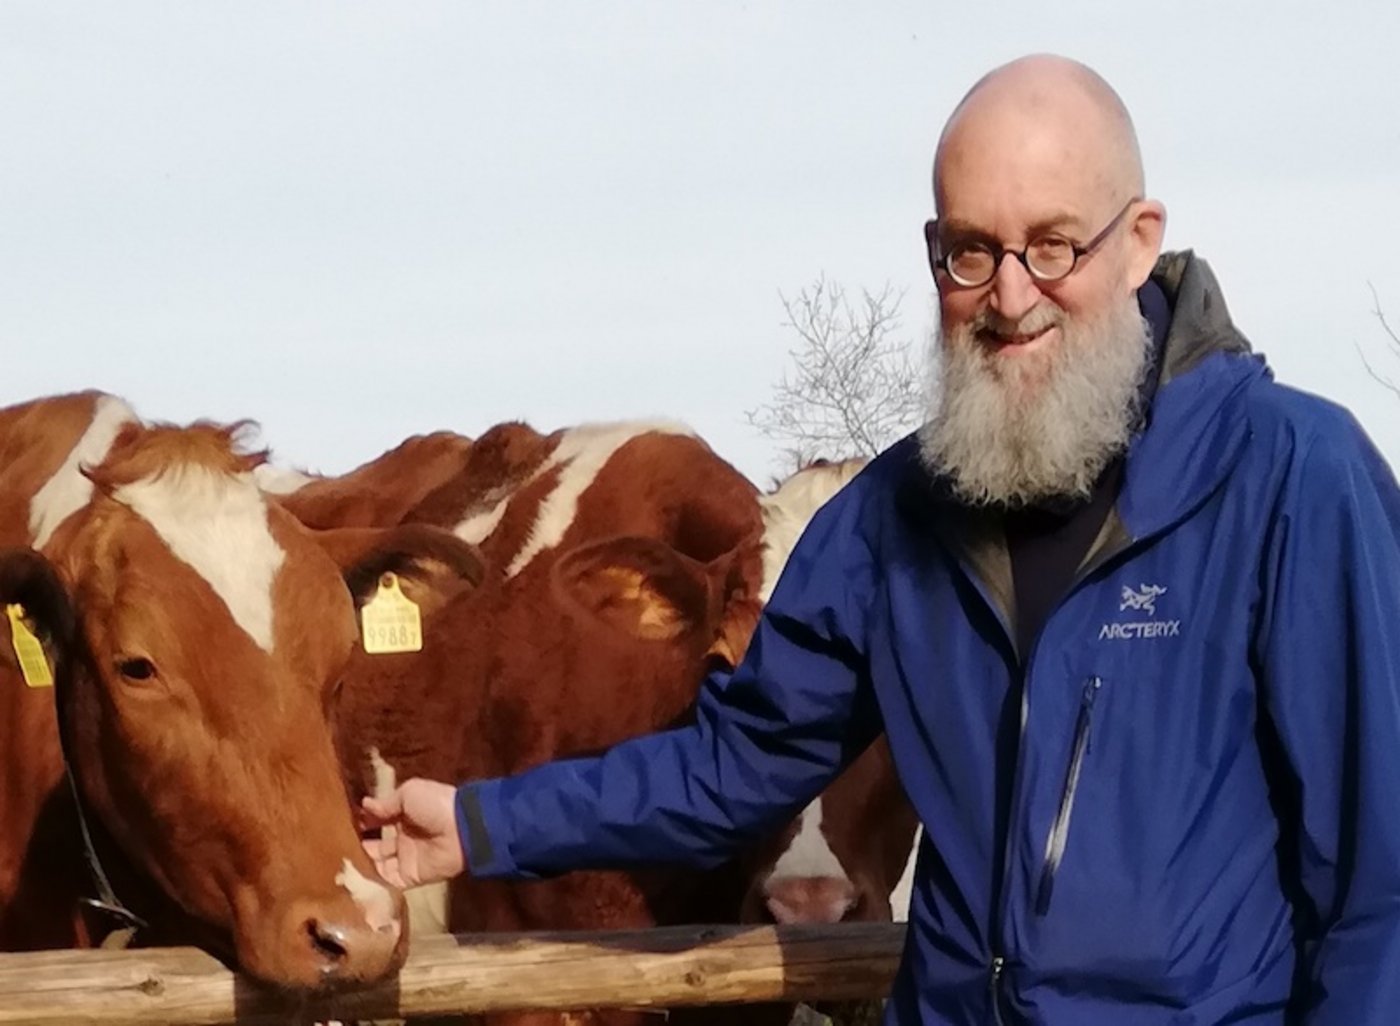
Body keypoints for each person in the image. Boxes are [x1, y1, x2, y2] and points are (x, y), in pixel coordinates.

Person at [362, 54, 1400, 1024]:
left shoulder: (1289, 479)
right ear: (932, 254)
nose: (1007, 296)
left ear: (1136, 241)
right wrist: (482, 824)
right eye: (970, 251)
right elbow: (735, 763)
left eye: (1051, 245)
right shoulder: (894, 514)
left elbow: (1378, 883)